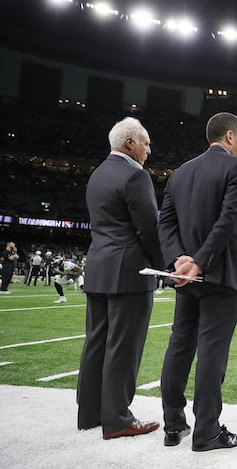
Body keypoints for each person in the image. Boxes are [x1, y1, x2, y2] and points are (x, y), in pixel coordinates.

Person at [158, 112, 237, 452]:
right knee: (212, 351)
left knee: (180, 345)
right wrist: (199, 261)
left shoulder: (180, 173)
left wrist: (178, 259)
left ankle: (173, 425)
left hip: (187, 277)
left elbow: (164, 224)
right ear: (229, 136)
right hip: (221, 273)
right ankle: (207, 431)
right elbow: (228, 220)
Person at [77, 117, 164, 440]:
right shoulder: (135, 176)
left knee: (96, 341)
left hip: (98, 267)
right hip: (130, 272)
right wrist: (164, 267)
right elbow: (148, 229)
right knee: (124, 346)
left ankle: (89, 413)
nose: (149, 150)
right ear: (130, 143)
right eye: (146, 143)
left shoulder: (97, 174)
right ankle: (117, 419)